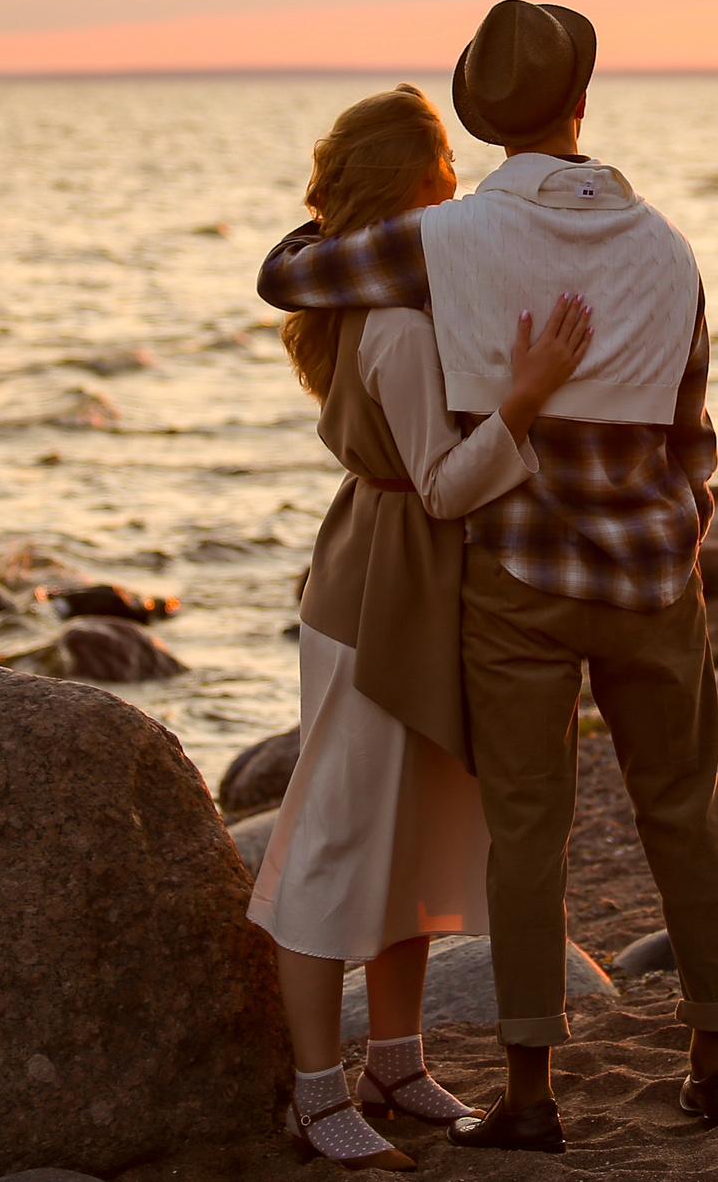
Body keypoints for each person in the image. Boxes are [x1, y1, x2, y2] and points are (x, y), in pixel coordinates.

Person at [257, 1, 718, 1156]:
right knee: (685, 814)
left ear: (488, 122)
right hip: (650, 583)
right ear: (580, 104)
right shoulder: (666, 247)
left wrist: (321, 212)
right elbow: (693, 429)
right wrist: (679, 532)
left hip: (521, 581)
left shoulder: (447, 243)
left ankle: (530, 1094)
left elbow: (293, 277)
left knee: (525, 833)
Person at [247, 84, 596, 1172]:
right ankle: (315, 1093)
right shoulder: (395, 325)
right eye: (449, 187)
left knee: (407, 849)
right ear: (420, 197)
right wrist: (525, 405)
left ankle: (393, 1063)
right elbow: (443, 486)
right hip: (377, 593)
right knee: (334, 846)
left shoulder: (400, 297)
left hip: (413, 586)